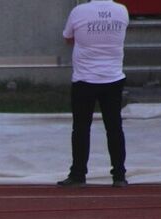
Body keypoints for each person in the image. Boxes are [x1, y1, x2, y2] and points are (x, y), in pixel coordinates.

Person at [58, 0, 129, 188]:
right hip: (113, 77)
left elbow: (67, 37)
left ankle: (78, 174)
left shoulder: (79, 11)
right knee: (114, 127)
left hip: (85, 78)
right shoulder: (122, 11)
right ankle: (119, 175)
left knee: (81, 128)